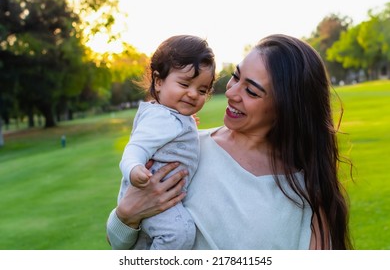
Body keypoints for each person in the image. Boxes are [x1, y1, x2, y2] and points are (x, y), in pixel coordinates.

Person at [106, 34, 353, 250]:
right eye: (236, 77)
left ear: (285, 108)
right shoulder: (183, 150)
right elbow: (121, 243)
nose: (232, 93)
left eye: (252, 91)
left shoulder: (306, 193)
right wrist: (126, 216)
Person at [115, 35, 216, 250]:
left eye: (202, 90)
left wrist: (188, 126)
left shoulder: (172, 117)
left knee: (140, 246)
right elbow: (134, 149)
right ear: (159, 81)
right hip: (150, 193)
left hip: (159, 198)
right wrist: (134, 169)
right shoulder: (161, 118)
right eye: (184, 84)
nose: (193, 94)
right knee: (179, 233)